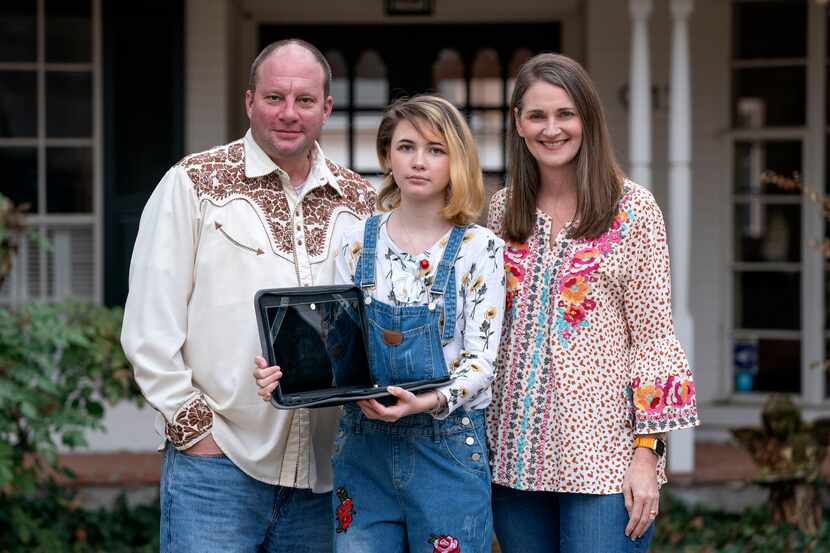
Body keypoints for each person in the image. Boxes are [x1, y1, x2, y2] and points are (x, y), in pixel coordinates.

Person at [121, 39, 376, 553]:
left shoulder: (362, 201)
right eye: (274, 97)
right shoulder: (193, 184)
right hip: (219, 468)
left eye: (304, 100)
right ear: (248, 102)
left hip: (325, 475)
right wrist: (197, 435)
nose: (288, 113)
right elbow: (149, 330)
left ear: (326, 108)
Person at [255, 95, 506, 553]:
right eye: (406, 147)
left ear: (458, 161)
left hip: (446, 447)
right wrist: (288, 375)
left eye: (436, 149)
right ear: (388, 155)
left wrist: (424, 401)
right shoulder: (356, 241)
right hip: (362, 448)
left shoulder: (479, 247)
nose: (419, 161)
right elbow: (337, 348)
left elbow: (481, 361)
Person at [485, 53, 700, 552]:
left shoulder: (633, 210)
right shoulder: (501, 210)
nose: (551, 128)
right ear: (518, 123)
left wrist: (647, 455)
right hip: (514, 456)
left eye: (565, 114)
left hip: (604, 458)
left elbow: (653, 338)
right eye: (537, 115)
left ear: (588, 118)